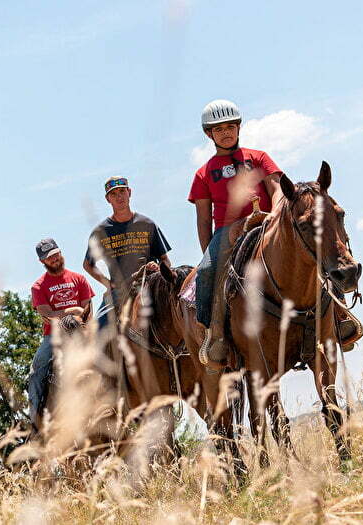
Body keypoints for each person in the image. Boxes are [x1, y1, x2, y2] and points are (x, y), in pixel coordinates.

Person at [188, 99, 284, 365]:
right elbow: (203, 219)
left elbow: (276, 189)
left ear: (239, 127)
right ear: (209, 134)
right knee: (206, 272)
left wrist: (275, 213)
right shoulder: (203, 174)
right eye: (219, 129)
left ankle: (338, 314)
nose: (226, 132)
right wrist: (209, 252)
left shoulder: (259, 157)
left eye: (230, 126)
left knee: (309, 239)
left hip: (266, 220)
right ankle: (213, 332)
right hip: (229, 231)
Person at [83, 176, 172, 337]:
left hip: (151, 284)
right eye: (114, 194)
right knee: (97, 333)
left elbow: (165, 259)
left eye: (122, 191)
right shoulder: (101, 231)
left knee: (182, 312)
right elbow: (88, 265)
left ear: (129, 192)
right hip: (121, 291)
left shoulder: (148, 224)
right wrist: (108, 284)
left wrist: (159, 268)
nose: (119, 197)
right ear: (107, 199)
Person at [28, 238, 94, 426]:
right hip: (53, 338)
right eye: (50, 258)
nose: (55, 259)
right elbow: (47, 315)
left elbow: (88, 310)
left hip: (82, 331)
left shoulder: (79, 279)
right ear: (42, 261)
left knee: (114, 355)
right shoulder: (39, 286)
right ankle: (35, 424)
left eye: (56, 254)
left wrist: (79, 315)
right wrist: (73, 311)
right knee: (36, 372)